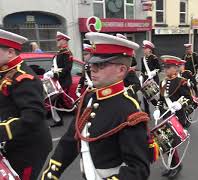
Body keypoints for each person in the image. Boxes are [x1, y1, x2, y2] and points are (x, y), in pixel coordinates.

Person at [41, 32, 150, 180]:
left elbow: (138, 169)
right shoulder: (89, 98)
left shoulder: (129, 111)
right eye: (92, 63)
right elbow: (71, 140)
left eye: (101, 65)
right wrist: (51, 173)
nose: (92, 68)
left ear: (121, 70)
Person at [0, 29, 52, 179]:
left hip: (28, 148)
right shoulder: (5, 72)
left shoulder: (24, 78)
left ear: (10, 52)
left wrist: (2, 131)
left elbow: (33, 116)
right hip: (13, 143)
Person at [153, 55, 193, 179]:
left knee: (171, 143)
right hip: (166, 114)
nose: (166, 69)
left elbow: (189, 99)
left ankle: (175, 165)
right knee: (166, 143)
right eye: (165, 67)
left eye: (168, 67)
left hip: (176, 116)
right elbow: (160, 99)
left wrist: (180, 104)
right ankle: (173, 165)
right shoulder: (162, 82)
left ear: (175, 68)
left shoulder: (182, 82)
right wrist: (158, 109)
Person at [44, 31, 74, 127]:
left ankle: (73, 115)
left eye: (59, 40)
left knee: (58, 101)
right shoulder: (59, 53)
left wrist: (54, 74)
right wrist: (50, 72)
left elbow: (67, 68)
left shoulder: (67, 53)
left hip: (64, 81)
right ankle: (59, 121)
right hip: (58, 81)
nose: (57, 42)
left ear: (64, 41)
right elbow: (55, 67)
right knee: (57, 102)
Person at [140, 40, 161, 115]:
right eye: (143, 48)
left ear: (149, 50)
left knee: (153, 96)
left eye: (145, 48)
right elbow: (142, 70)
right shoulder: (142, 59)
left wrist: (153, 73)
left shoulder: (154, 58)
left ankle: (159, 106)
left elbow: (159, 68)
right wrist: (141, 76)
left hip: (153, 79)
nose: (143, 50)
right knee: (145, 96)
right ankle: (147, 112)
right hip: (146, 79)